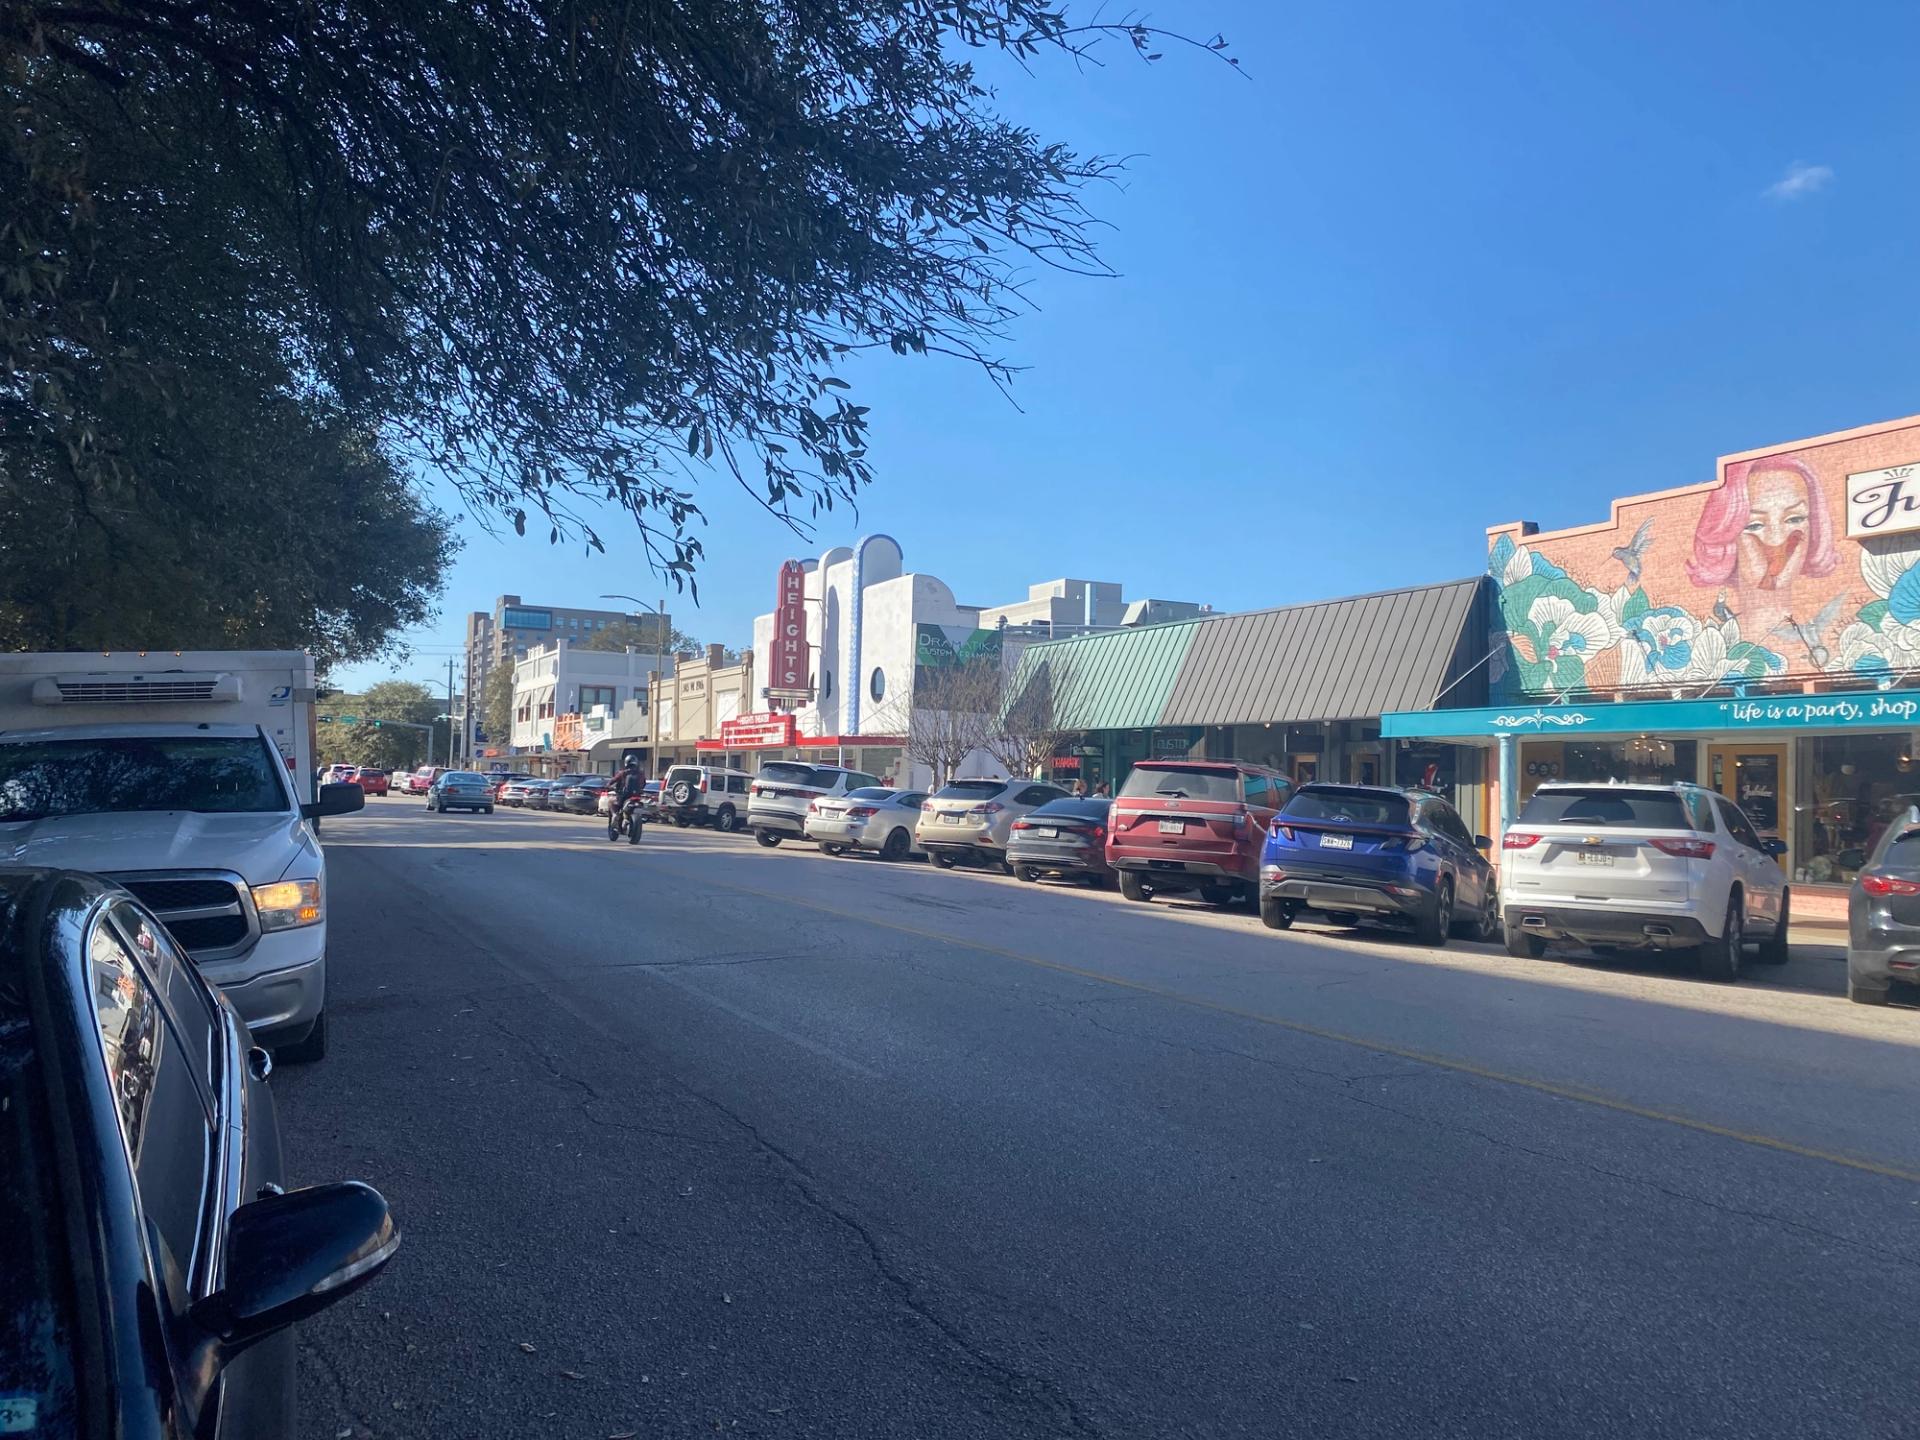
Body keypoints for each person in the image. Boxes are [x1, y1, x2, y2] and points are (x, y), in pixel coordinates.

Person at [611, 756, 648, 834]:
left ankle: (615, 816)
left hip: (625, 795)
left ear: (626, 763)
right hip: (637, 796)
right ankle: (624, 819)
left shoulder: (623, 773)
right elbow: (644, 783)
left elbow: (613, 780)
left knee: (612, 803)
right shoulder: (640, 773)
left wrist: (607, 786)